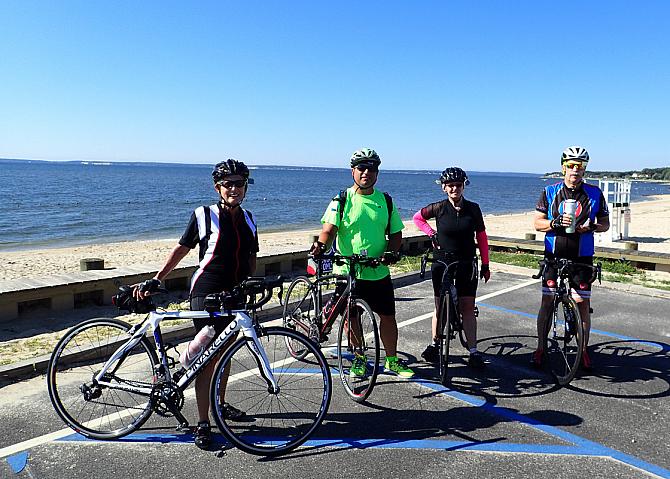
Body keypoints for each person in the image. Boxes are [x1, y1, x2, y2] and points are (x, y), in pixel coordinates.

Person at [134, 159, 258, 449]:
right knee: (208, 359)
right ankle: (203, 422)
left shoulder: (250, 218)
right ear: (217, 187)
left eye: (239, 183)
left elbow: (251, 258)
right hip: (206, 293)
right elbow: (182, 248)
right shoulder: (204, 215)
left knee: (226, 352)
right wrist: (157, 278)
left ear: (245, 187)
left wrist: (251, 285)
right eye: (227, 184)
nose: (234, 188)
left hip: (234, 295)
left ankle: (220, 405)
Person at [310, 147, 415, 378]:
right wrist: (320, 245)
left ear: (377, 173)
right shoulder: (342, 199)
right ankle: (358, 358)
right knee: (352, 317)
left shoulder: (385, 200)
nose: (366, 172)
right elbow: (329, 230)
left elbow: (396, 234)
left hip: (378, 270)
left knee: (388, 317)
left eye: (372, 168)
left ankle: (392, 360)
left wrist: (392, 252)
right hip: (348, 270)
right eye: (361, 167)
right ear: (353, 171)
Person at [532, 146, 610, 371]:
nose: (575, 170)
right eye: (571, 165)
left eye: (580, 166)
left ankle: (583, 351)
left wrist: (593, 226)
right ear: (563, 167)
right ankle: (540, 349)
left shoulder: (594, 193)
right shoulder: (549, 191)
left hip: (582, 255)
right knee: (547, 302)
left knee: (582, 303)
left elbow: (605, 224)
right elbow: (537, 223)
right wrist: (554, 223)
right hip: (553, 254)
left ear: (585, 168)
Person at [413, 167, 491, 369]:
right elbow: (417, 218)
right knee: (439, 306)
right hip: (442, 262)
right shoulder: (438, 208)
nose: (454, 188)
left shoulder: (473, 209)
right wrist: (431, 233)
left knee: (467, 306)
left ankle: (473, 351)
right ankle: (435, 343)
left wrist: (486, 264)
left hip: (466, 262)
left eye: (458, 185)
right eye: (450, 185)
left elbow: (481, 237)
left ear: (464, 185)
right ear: (444, 188)